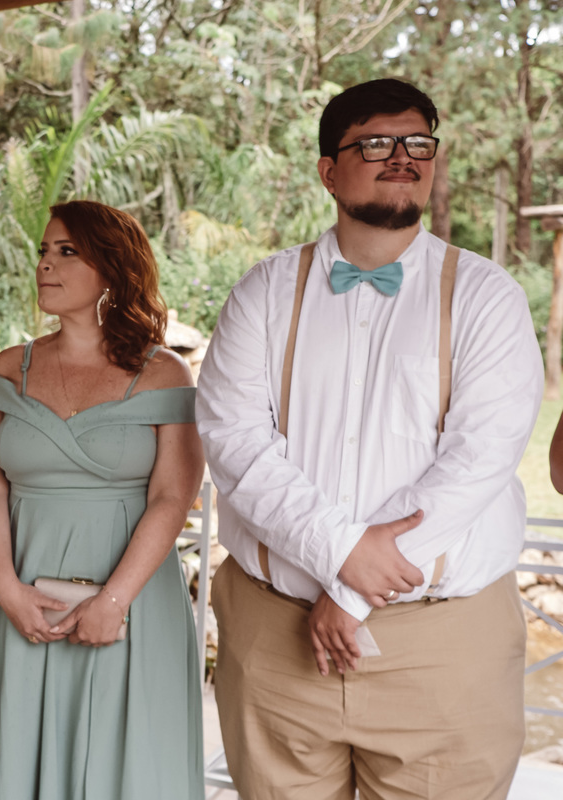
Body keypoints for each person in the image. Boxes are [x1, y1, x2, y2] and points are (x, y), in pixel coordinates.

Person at [196, 78, 542, 799]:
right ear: (328, 169)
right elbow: (234, 444)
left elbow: (479, 459)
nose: (402, 158)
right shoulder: (261, 293)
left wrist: (349, 593)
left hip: (443, 652)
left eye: (419, 144)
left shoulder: (487, 296)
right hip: (275, 642)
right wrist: (342, 553)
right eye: (376, 143)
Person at [0, 200, 205, 799]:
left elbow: (174, 495)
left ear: (112, 269)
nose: (46, 263)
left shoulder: (163, 373)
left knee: (131, 762)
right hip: (21, 597)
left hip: (133, 601)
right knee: (16, 753)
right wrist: (8, 590)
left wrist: (113, 600)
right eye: (44, 250)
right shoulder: (8, 369)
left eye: (67, 251)